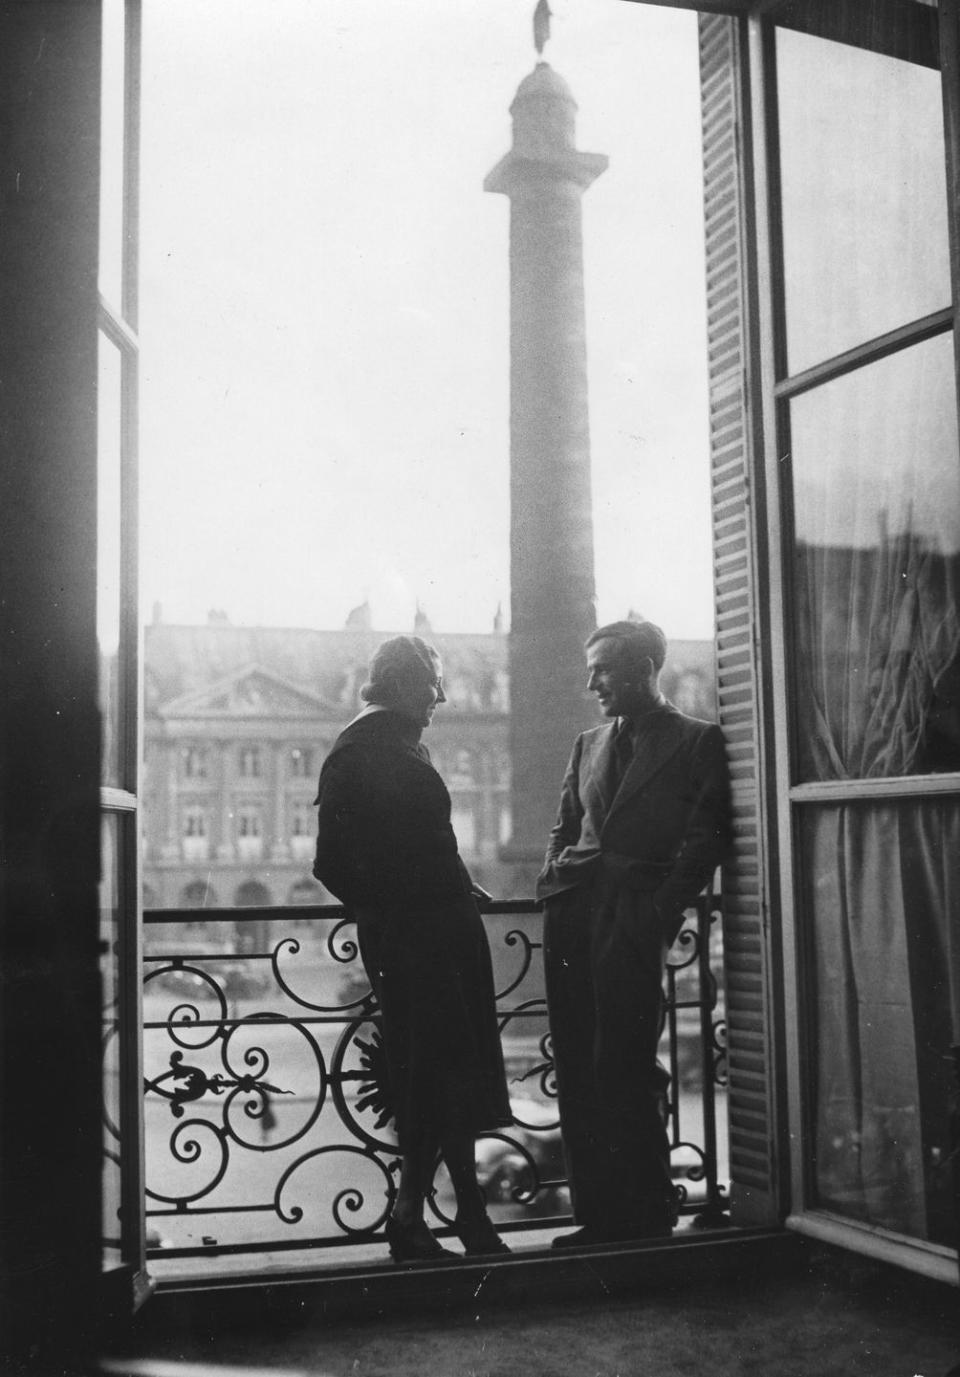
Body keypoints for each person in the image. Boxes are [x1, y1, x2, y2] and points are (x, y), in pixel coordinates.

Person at [313, 635, 512, 1263]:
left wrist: (454, 884)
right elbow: (334, 864)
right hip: (415, 941)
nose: (444, 697)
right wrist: (401, 915)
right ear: (398, 682)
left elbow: (419, 842)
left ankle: (442, 1219)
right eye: (433, 685)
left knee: (445, 1076)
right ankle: (444, 1220)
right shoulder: (358, 750)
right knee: (435, 1075)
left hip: (444, 931)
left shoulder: (400, 741)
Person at [536, 619, 731, 1247]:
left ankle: (646, 1215)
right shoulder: (587, 743)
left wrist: (659, 913)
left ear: (647, 666)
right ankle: (596, 1218)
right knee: (577, 1065)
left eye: (605, 668)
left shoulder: (698, 741)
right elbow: (564, 826)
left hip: (631, 916)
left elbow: (705, 841)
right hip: (573, 917)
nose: (592, 682)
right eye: (591, 669)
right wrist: (554, 879)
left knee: (625, 1065)